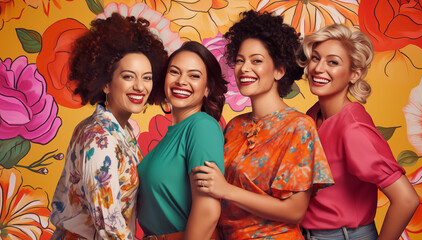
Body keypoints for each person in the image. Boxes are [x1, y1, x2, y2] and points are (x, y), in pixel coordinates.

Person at [191, 10, 334, 239]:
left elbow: (295, 211)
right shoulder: (234, 126)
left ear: (279, 70)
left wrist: (227, 190)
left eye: (256, 61)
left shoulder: (299, 126)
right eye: (240, 60)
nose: (244, 69)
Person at [50, 13, 168, 239]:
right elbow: (109, 227)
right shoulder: (99, 139)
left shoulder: (123, 130)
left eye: (147, 77)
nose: (140, 87)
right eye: (128, 77)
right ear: (105, 82)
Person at [297, 24, 420, 240]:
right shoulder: (312, 114)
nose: (318, 68)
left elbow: (407, 199)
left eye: (333, 62)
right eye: (316, 58)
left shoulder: (353, 128)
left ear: (354, 74)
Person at [137, 41, 228, 240]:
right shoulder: (170, 136)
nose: (181, 81)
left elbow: (208, 211)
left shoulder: (202, 127)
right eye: (174, 72)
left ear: (207, 89)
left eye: (194, 75)